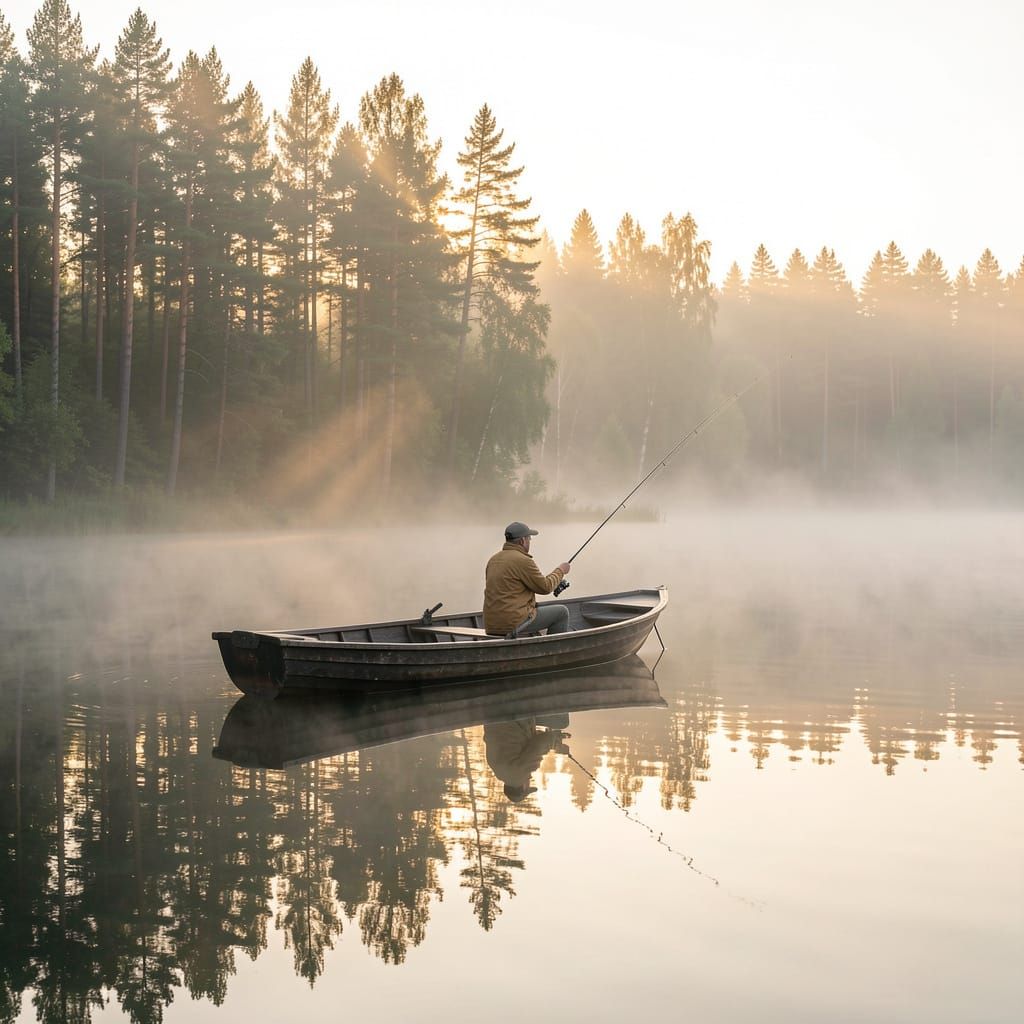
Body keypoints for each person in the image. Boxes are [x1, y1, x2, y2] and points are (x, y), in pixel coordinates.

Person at [483, 521, 571, 637]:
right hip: (512, 624)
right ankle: (552, 651)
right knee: (561, 612)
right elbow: (545, 587)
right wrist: (561, 570)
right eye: (529, 538)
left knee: (537, 607)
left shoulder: (493, 560)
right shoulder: (523, 560)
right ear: (522, 541)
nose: (529, 542)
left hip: (491, 625)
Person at [484, 718, 571, 802]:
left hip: (515, 716)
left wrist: (556, 742)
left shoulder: (520, 774)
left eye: (529, 786)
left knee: (561, 721)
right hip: (494, 718)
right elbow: (520, 740)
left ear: (524, 787)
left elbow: (539, 742)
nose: (529, 781)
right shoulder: (497, 769)